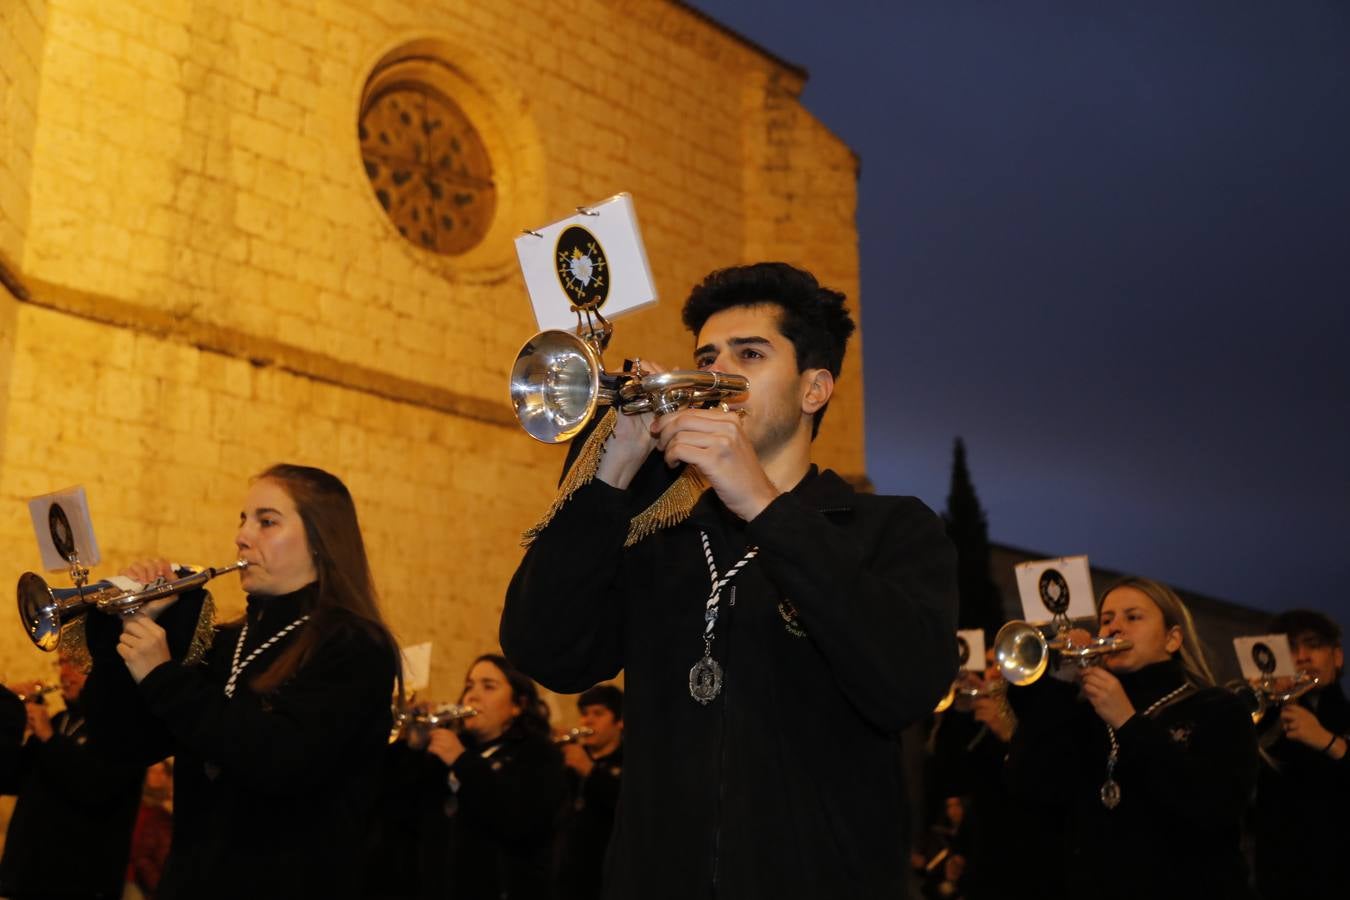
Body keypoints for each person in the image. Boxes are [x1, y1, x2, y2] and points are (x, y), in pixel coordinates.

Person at [502, 262, 959, 898]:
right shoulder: (659, 531)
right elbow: (545, 650)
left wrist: (762, 504)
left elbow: (906, 685)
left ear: (813, 389)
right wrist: (611, 478)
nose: (716, 375)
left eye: (750, 354)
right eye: (706, 356)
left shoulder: (890, 528)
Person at [81, 463, 400, 900]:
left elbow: (280, 759)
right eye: (243, 520)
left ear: (322, 541)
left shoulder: (356, 646)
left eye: (267, 522)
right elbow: (124, 745)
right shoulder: (223, 639)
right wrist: (123, 634)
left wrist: (162, 674)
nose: (243, 536)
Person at [1004, 577, 1258, 900]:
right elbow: (1029, 786)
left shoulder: (1219, 708)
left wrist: (1127, 721)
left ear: (1172, 639)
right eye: (1106, 620)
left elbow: (1214, 807)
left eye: (1133, 617)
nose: (1114, 629)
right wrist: (1059, 683)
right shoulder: (1086, 713)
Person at [420, 653, 568, 900]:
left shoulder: (540, 754)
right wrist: (413, 750)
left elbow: (520, 822)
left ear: (517, 705)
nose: (472, 695)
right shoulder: (457, 746)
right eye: (469, 686)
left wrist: (462, 761)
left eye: (488, 686)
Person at [0, 655, 144, 900]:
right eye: (61, 664)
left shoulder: (125, 730)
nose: (65, 673)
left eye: (75, 664)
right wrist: (9, 714)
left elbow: (95, 787)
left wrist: (49, 738)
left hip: (78, 883)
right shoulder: (59, 721)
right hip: (27, 878)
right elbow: (10, 779)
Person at [1250, 609, 1349, 899]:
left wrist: (1328, 742)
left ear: (1337, 657)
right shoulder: (1268, 714)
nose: (1302, 656)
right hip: (1275, 874)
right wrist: (1265, 704)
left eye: (1314, 645)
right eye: (1291, 648)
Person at [557, 684, 625, 900]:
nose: (588, 721)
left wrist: (589, 771)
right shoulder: (571, 760)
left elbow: (624, 807)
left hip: (608, 873)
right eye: (585, 714)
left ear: (620, 721)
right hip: (568, 874)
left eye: (598, 713)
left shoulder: (630, 761)